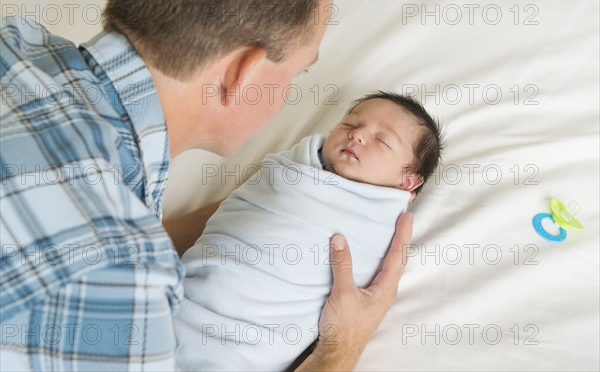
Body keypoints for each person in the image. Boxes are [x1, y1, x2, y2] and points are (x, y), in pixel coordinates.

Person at [0, 0, 413, 370]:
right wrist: (342, 348)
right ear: (243, 73)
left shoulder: (15, 42)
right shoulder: (126, 285)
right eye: (298, 73)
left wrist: (252, 210)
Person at [176, 92, 443, 371]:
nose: (358, 135)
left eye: (381, 139)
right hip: (178, 300)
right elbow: (241, 209)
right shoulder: (289, 169)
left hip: (234, 352)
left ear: (407, 180)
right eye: (350, 125)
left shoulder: (378, 224)